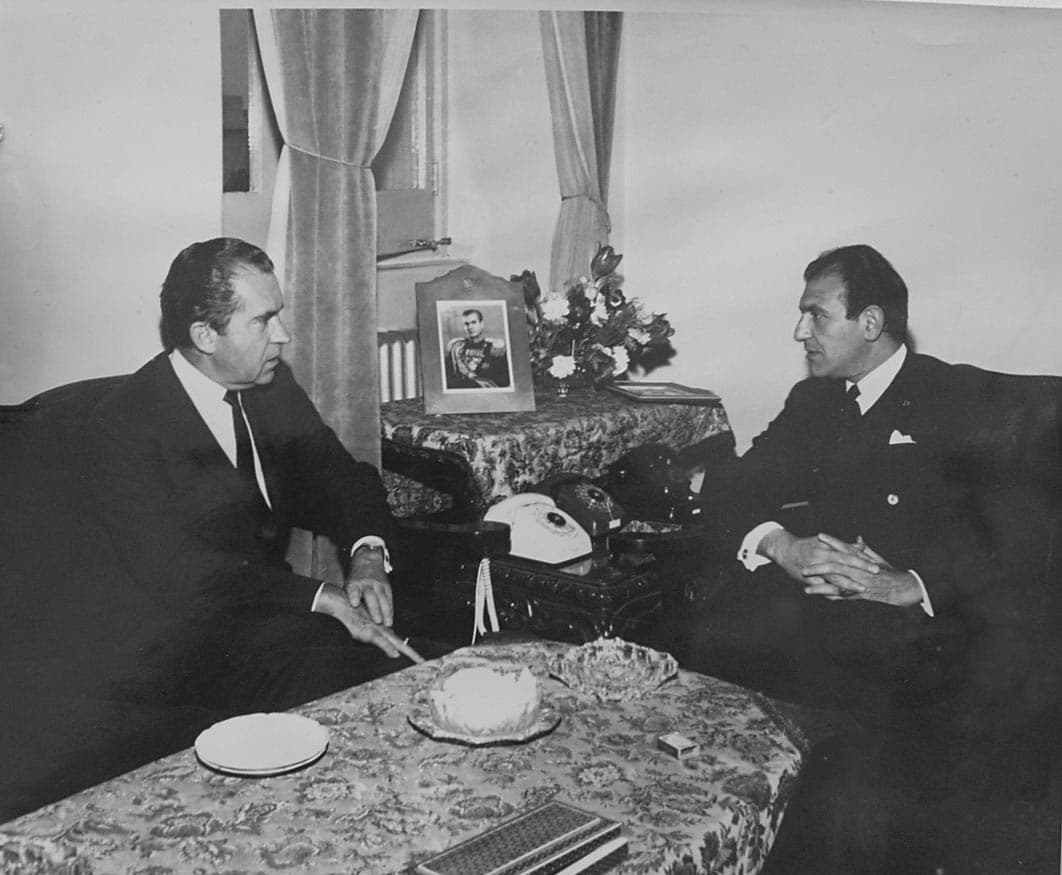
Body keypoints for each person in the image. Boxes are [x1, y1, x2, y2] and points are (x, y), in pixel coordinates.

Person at [661, 244, 1051, 873]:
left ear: (869, 324)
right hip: (815, 615)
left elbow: (1018, 532)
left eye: (816, 315)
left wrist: (910, 584)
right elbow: (737, 488)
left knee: (851, 793)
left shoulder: (957, 398)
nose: (800, 332)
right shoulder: (813, 399)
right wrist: (782, 545)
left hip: (916, 636)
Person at [86, 237, 428, 722]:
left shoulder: (270, 387)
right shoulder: (125, 424)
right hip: (176, 646)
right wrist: (319, 597)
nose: (283, 335)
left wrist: (368, 554)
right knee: (360, 684)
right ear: (206, 336)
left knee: (427, 659)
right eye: (264, 320)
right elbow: (180, 574)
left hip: (269, 619)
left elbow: (342, 478)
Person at [445, 308, 510, 389]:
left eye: (473, 322)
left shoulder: (493, 347)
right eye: (466, 324)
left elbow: (503, 381)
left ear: (481, 324)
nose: (470, 327)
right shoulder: (456, 347)